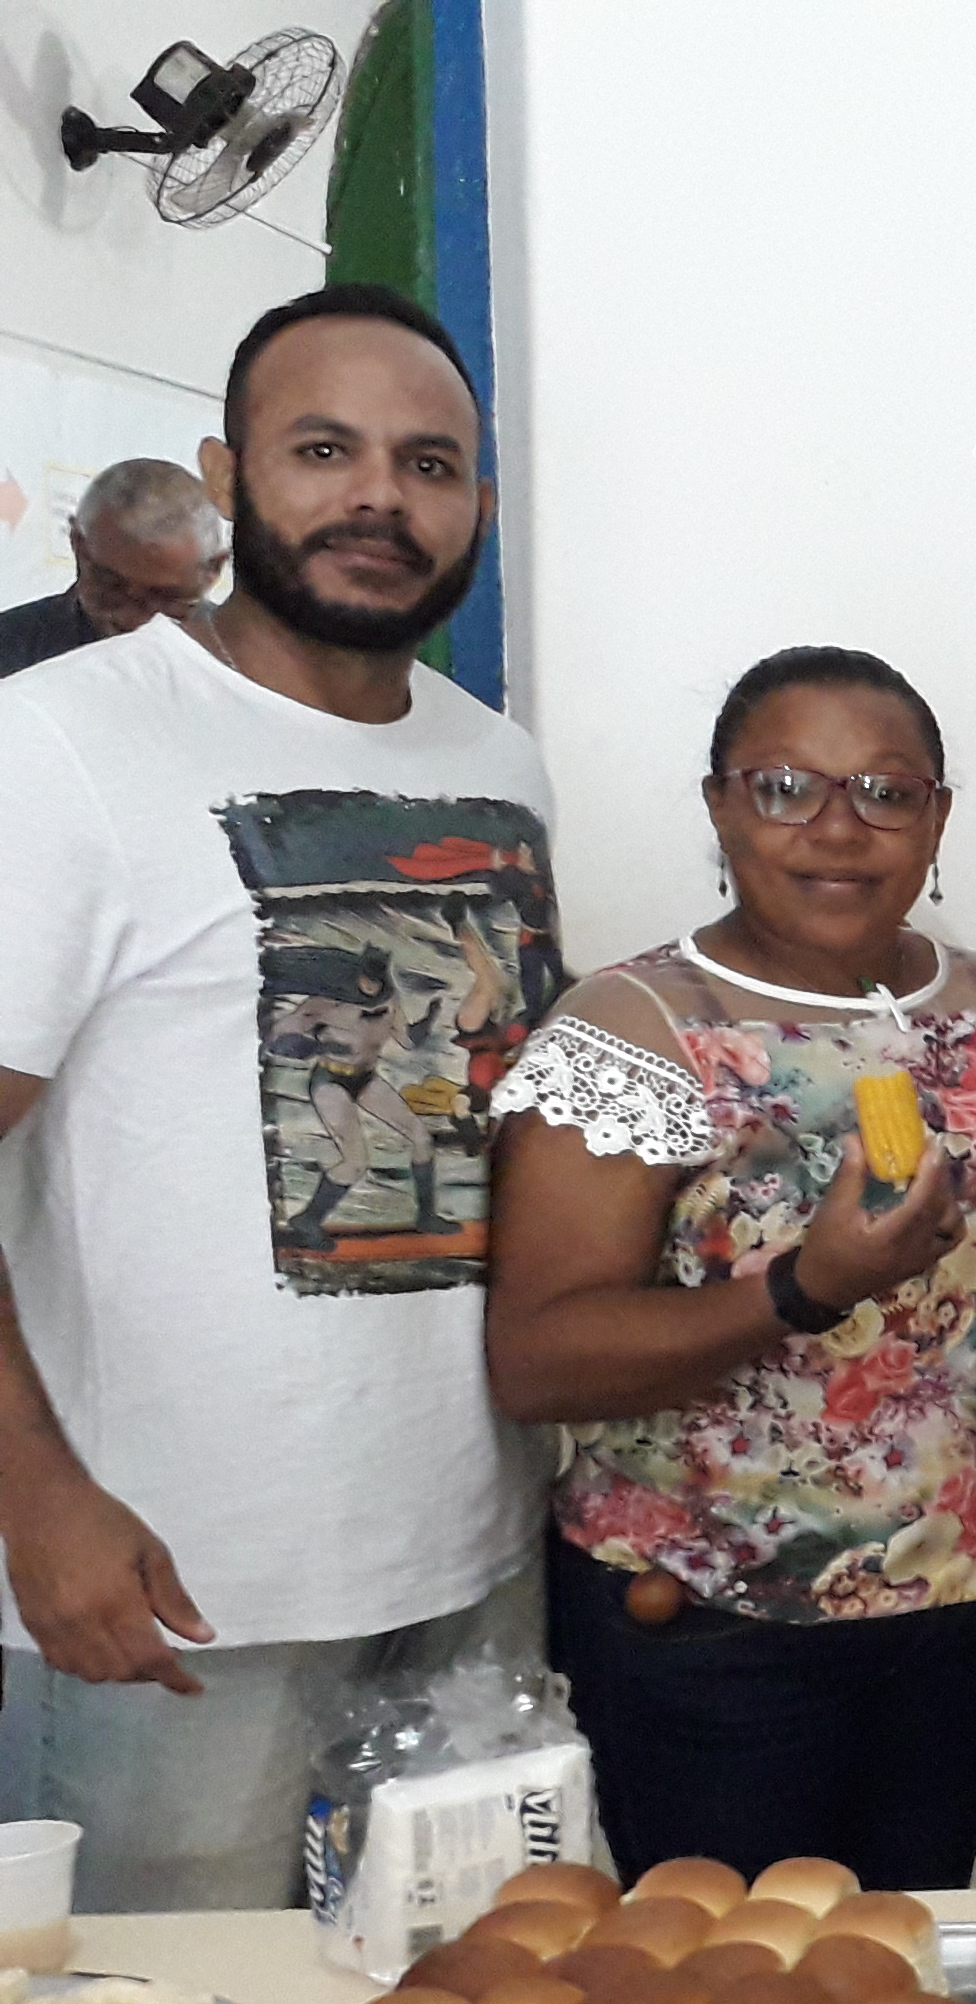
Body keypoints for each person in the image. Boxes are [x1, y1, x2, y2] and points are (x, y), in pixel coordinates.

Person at [0, 285, 561, 1907]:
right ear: (226, 473)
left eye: (429, 463)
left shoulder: (498, 761)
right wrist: (38, 1498)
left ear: (479, 506)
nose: (380, 497)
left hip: (467, 1563)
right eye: (324, 450)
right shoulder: (64, 746)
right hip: (167, 1596)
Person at [482, 647, 976, 1887]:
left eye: (886, 792)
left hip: (954, 1618)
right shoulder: (638, 1027)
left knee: (909, 1979)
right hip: (709, 1634)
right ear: (721, 803)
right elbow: (538, 1359)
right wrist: (802, 1290)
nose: (838, 830)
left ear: (937, 815)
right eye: (788, 787)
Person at [0, 458, 227, 679]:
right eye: (111, 588)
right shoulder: (9, 652)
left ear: (213, 570)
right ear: (78, 544)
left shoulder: (243, 668)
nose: (132, 621)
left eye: (162, 598)